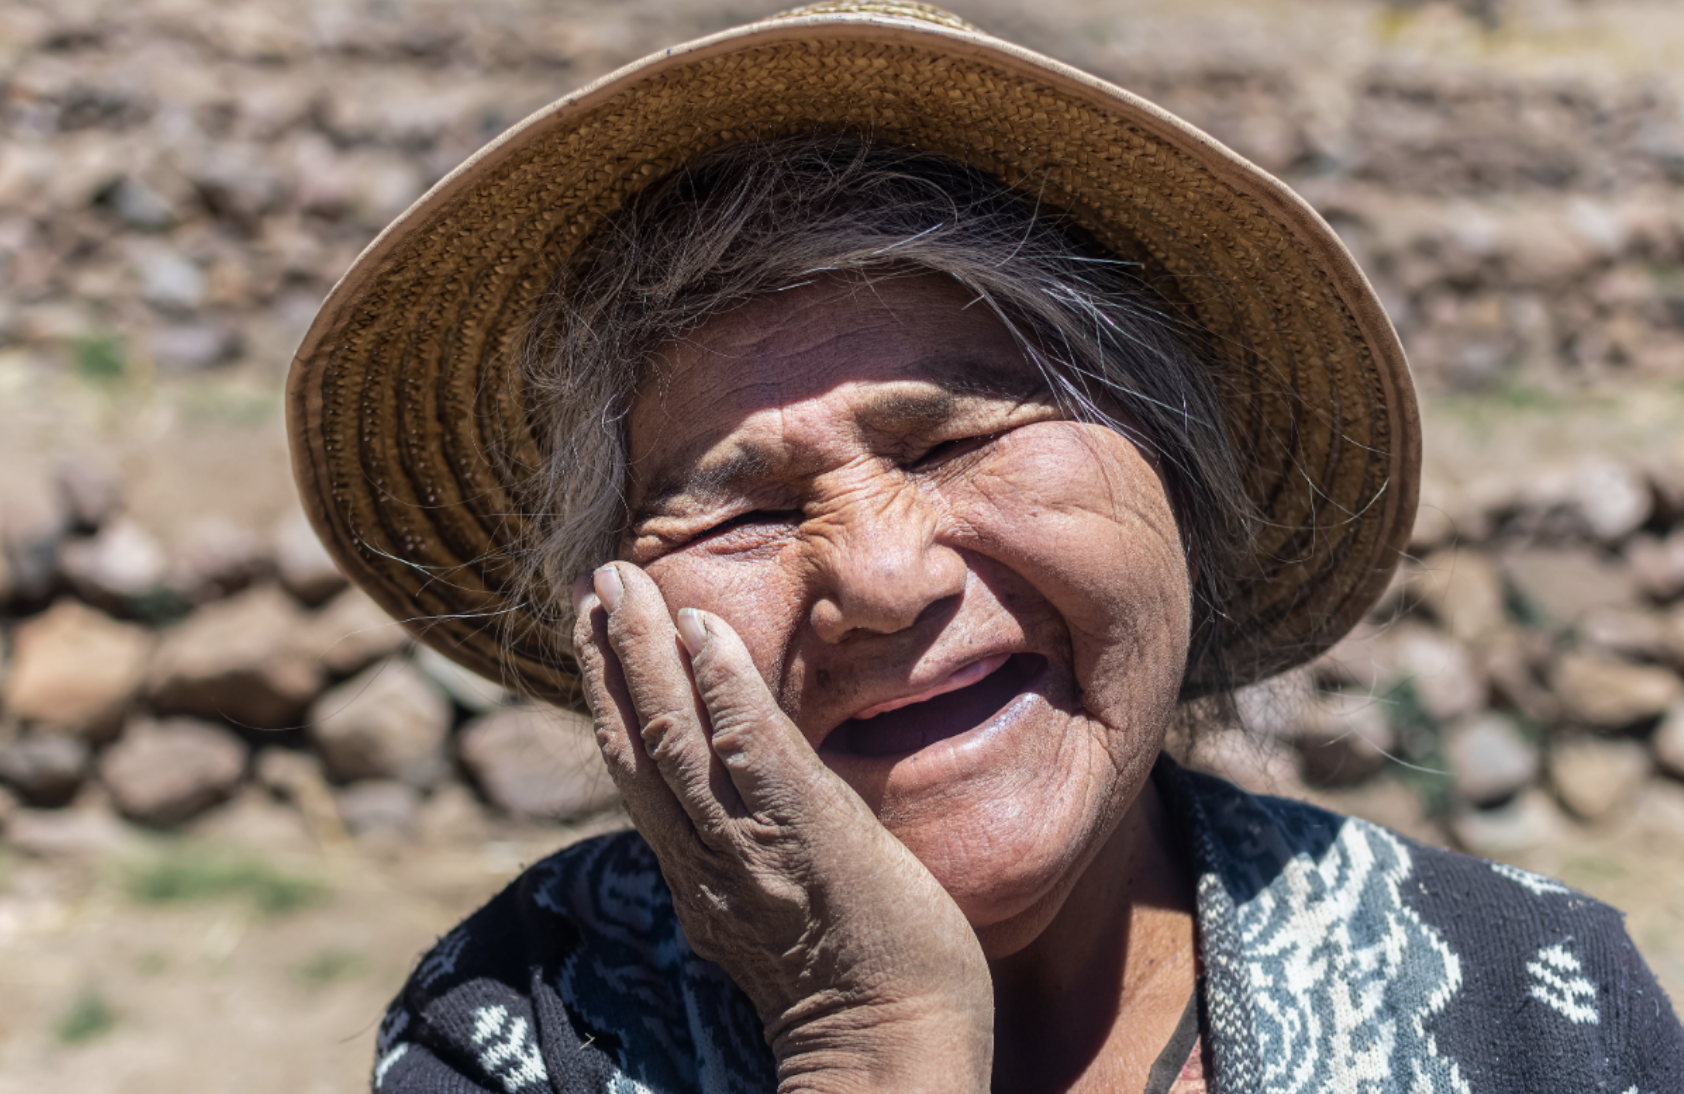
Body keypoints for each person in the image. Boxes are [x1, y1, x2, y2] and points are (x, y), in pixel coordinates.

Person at [287, 5, 1684, 1092]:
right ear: (620, 627)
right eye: (745, 508)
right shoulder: (525, 1025)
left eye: (957, 441)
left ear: (1174, 486)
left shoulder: (1530, 999)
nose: (883, 580)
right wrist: (870, 1033)